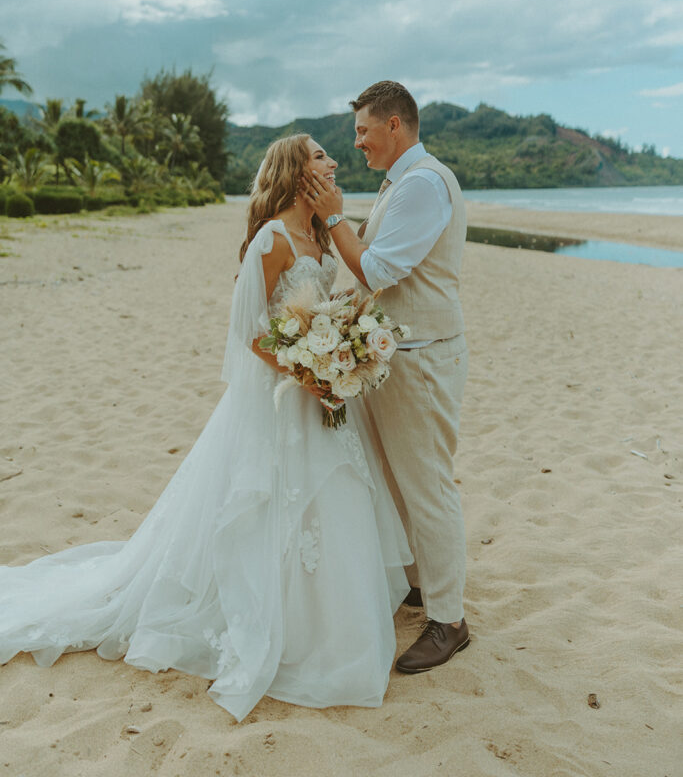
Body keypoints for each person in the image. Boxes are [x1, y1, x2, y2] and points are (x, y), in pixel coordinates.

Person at [0, 134, 411, 722]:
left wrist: (340, 353)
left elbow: (339, 296)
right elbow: (249, 332)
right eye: (322, 156)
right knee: (272, 507)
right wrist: (308, 369)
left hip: (323, 398)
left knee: (334, 502)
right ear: (298, 173)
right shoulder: (270, 239)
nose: (334, 161)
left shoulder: (320, 234)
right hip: (287, 398)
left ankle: (333, 618)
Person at [301, 80, 470, 673]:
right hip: (402, 353)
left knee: (426, 483)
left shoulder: (422, 185)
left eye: (363, 130)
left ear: (394, 125)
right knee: (402, 481)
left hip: (424, 357)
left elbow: (375, 268)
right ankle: (425, 582)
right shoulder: (403, 182)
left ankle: (449, 620)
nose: (358, 142)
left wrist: (332, 215)